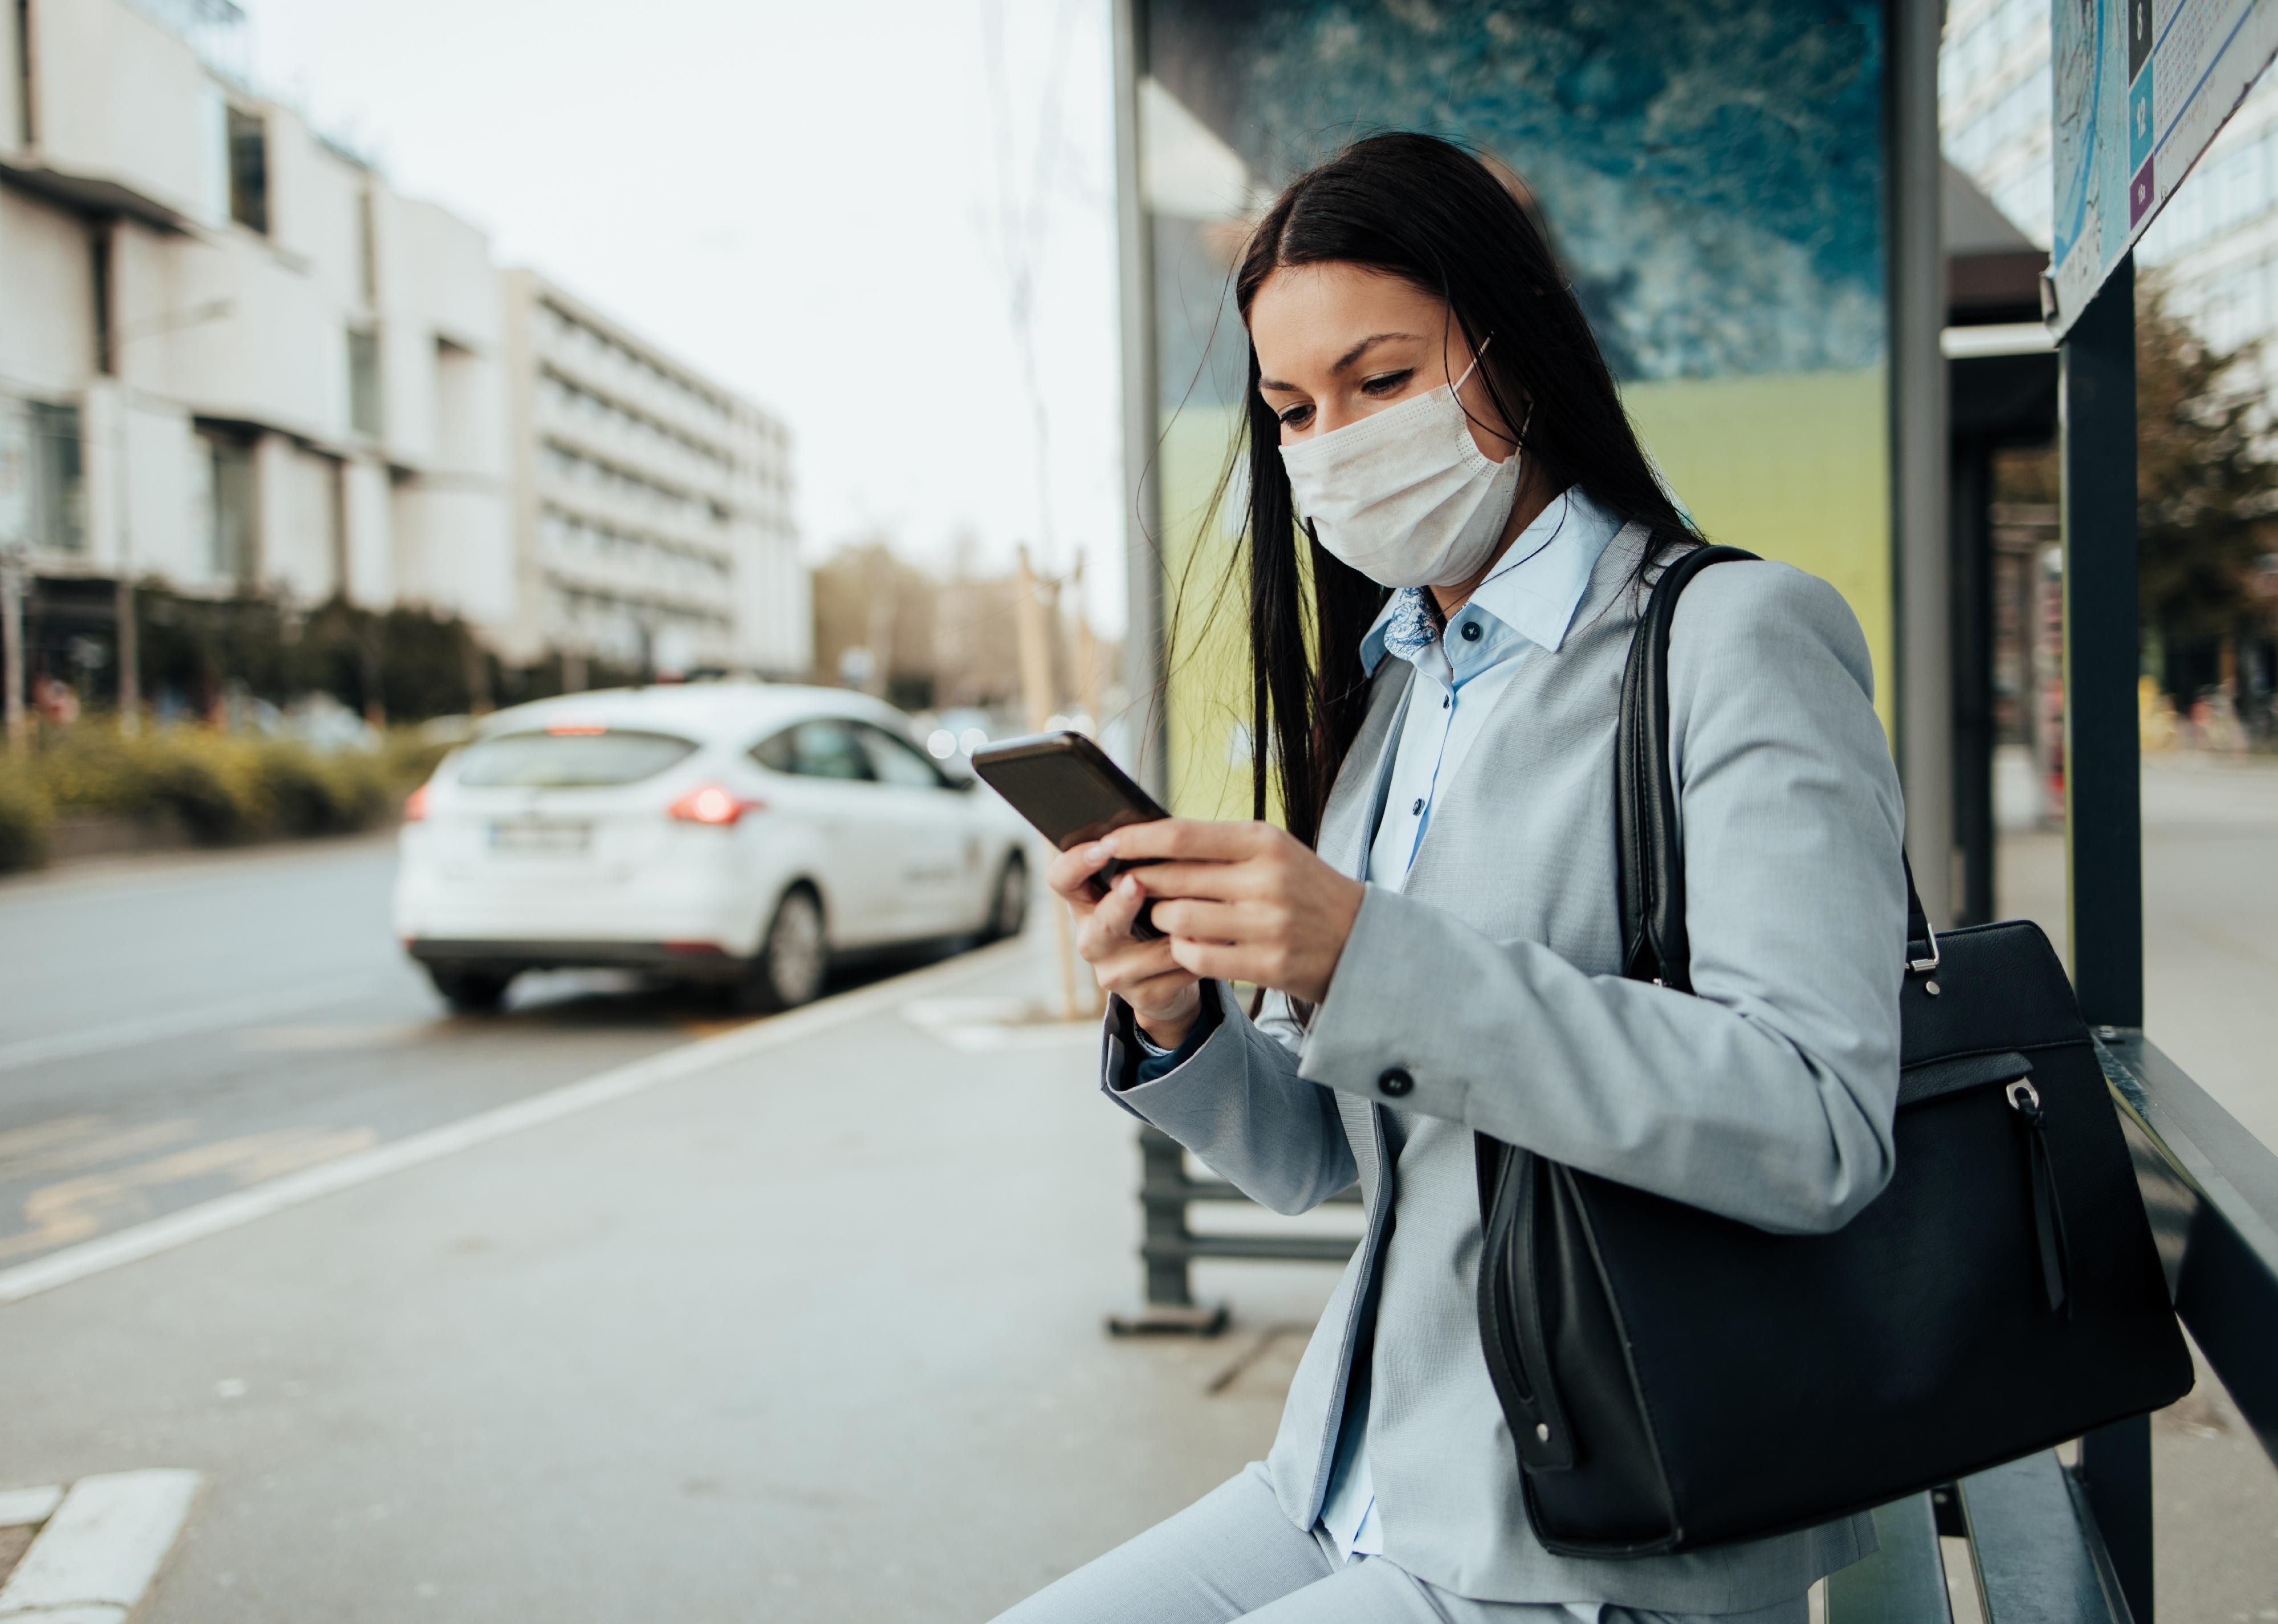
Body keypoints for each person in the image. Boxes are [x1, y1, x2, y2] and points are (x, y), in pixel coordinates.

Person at [996, 133, 1906, 1624]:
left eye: (1384, 378)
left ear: (1517, 348)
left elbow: (1818, 1121)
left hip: (1593, 1517)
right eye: (1293, 408)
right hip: (1354, 1470)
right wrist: (1176, 1012)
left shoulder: (1735, 640)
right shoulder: (1404, 691)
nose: (1334, 441)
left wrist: (1370, 954)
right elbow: (1325, 1156)